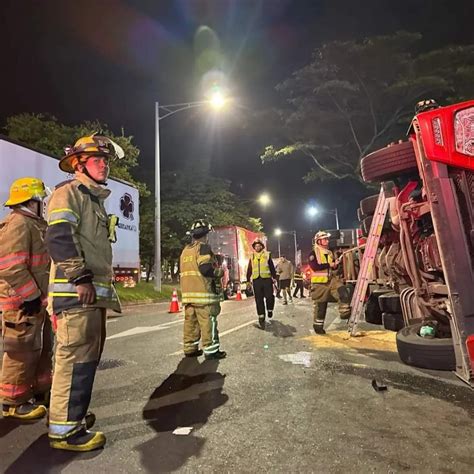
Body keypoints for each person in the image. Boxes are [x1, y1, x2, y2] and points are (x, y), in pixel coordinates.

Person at [45, 135, 123, 451]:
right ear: (79, 164)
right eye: (96, 159)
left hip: (87, 296)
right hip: (77, 294)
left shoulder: (92, 199)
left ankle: (70, 416)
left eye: (105, 160)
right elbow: (60, 237)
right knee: (75, 360)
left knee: (84, 359)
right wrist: (80, 278)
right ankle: (65, 431)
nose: (103, 164)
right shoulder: (69, 195)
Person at [0, 177, 52, 420]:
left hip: (35, 302)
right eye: (43, 200)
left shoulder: (33, 224)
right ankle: (13, 402)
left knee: (40, 350)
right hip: (21, 303)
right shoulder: (18, 224)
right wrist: (31, 295)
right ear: (34, 201)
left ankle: (40, 391)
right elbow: (10, 267)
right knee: (20, 353)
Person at [179, 219, 226, 360]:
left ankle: (190, 348)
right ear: (206, 234)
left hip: (188, 295)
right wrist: (220, 272)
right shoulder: (204, 248)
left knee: (190, 323)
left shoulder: (186, 250)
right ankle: (211, 350)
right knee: (208, 322)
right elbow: (205, 269)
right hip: (204, 295)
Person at [308, 231, 351, 334]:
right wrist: (329, 265)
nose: (327, 241)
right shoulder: (313, 253)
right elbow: (315, 266)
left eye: (327, 239)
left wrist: (335, 265)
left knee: (342, 290)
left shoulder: (330, 253)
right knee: (321, 307)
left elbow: (332, 268)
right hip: (319, 284)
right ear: (318, 241)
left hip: (331, 280)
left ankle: (344, 312)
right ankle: (318, 327)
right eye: (324, 239)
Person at [246, 238, 277, 329]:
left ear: (262, 246)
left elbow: (271, 267)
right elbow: (249, 269)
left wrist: (274, 277)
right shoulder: (252, 256)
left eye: (259, 245)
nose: (257, 247)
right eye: (255, 246)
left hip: (267, 279)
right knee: (258, 299)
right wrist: (248, 280)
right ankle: (261, 316)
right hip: (256, 280)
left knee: (269, 297)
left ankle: (270, 309)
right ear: (254, 247)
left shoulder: (267, 255)